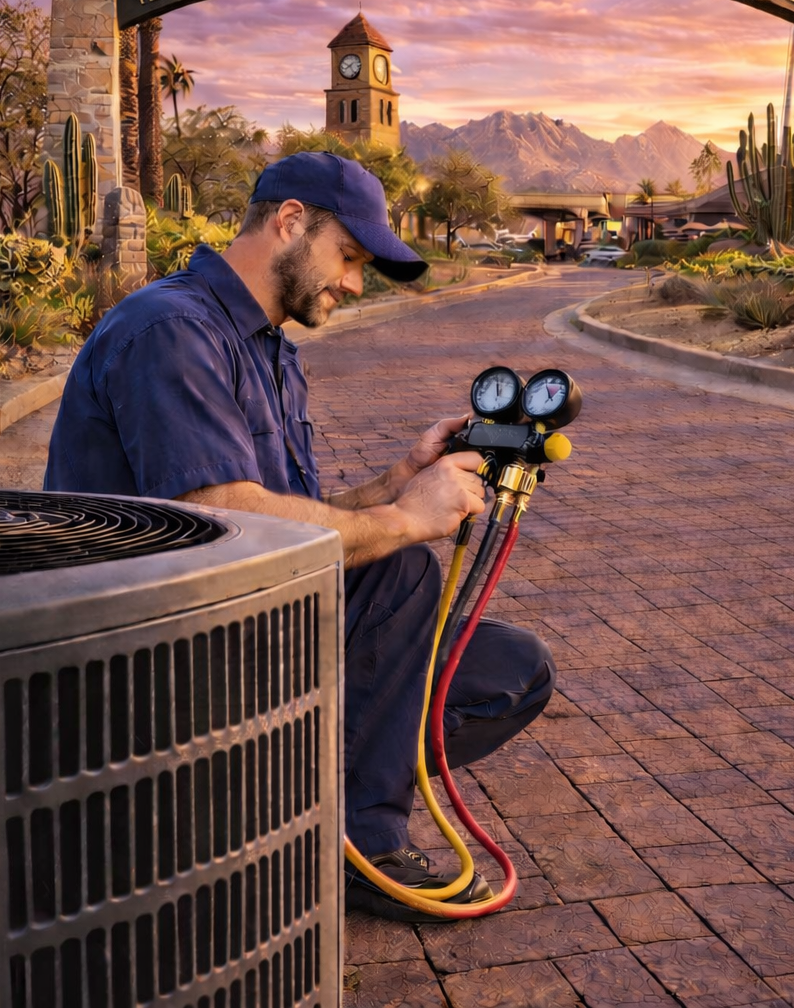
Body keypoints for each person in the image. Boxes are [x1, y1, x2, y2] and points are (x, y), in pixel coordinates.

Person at [46, 152, 555, 920]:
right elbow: (227, 520)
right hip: (155, 658)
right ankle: (360, 841)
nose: (354, 284)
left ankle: (292, 800)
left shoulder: (269, 347)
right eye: (348, 257)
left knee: (510, 669)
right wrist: (403, 520)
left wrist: (396, 480)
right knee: (401, 575)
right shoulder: (173, 330)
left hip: (252, 624)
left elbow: (289, 521)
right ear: (290, 222)